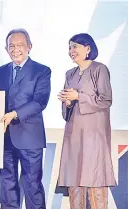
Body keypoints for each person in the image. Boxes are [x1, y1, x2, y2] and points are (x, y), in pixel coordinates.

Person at [0, 28, 51, 209]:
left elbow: (40, 102)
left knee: (32, 185)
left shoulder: (41, 71)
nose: (16, 49)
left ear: (29, 47)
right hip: (4, 137)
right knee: (6, 185)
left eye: (20, 45)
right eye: (11, 46)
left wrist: (15, 114)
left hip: (29, 137)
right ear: (6, 48)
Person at [57, 33, 116, 209]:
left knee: (95, 178)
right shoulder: (70, 73)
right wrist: (67, 103)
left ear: (88, 48)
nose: (71, 51)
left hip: (94, 135)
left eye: (75, 46)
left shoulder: (100, 69)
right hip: (74, 134)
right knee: (74, 181)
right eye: (69, 47)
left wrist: (79, 96)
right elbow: (67, 110)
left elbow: (106, 100)